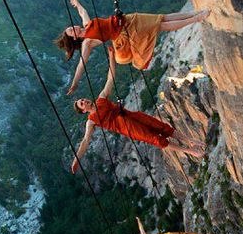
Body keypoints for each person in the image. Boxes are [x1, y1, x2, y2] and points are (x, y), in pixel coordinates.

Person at [71, 49, 201, 173]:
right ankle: (190, 151)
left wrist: (111, 58)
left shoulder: (101, 98)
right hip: (128, 127)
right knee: (156, 139)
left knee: (162, 127)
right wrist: (77, 159)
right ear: (83, 111)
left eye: (82, 99)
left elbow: (110, 78)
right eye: (82, 104)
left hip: (132, 116)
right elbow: (85, 141)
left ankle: (191, 141)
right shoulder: (91, 121)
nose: (84, 101)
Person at [54, 0, 210, 94]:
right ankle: (197, 18)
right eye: (71, 31)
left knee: (162, 18)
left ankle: (195, 13)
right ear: (74, 38)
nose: (73, 28)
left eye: (71, 27)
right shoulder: (87, 42)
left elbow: (82, 12)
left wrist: (77, 3)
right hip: (127, 32)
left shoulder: (86, 24)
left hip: (128, 20)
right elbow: (81, 65)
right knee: (160, 26)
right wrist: (75, 83)